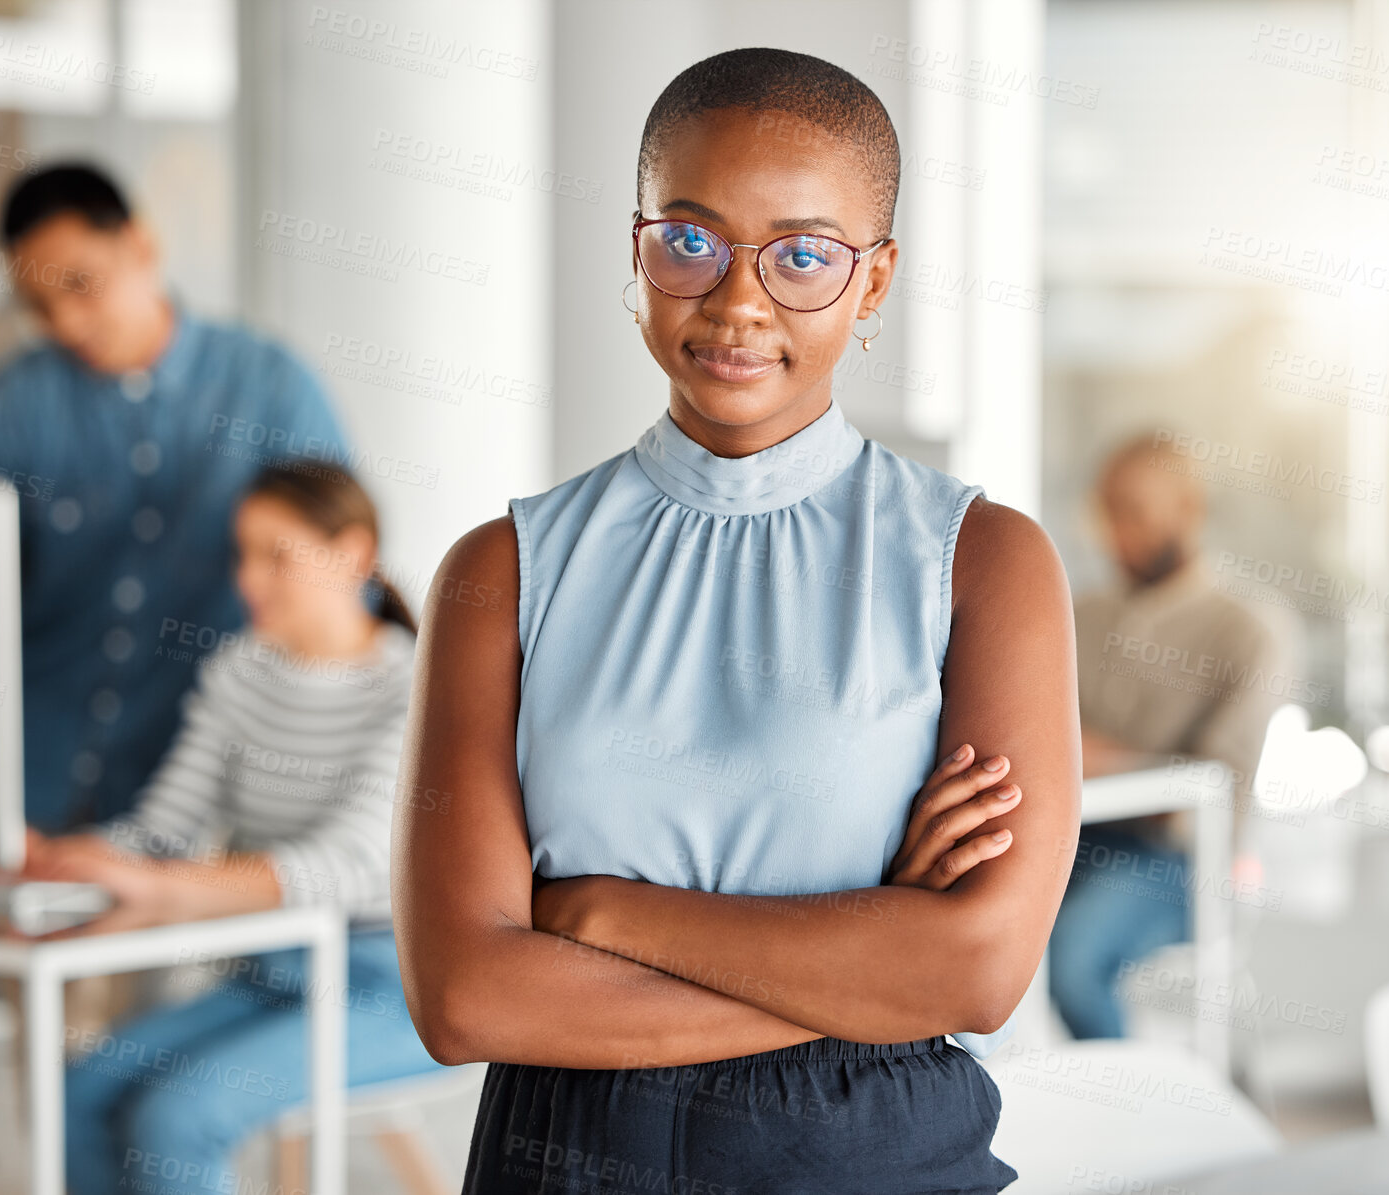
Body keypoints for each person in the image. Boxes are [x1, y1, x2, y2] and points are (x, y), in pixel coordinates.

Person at [392, 48, 1081, 1193]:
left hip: (874, 1159)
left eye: (804, 255)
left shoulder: (980, 561)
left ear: (873, 282)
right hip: (564, 1162)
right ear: (638, 245)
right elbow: (465, 998)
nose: (737, 300)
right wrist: (867, 957)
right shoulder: (502, 572)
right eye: (690, 240)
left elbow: (975, 971)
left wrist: (597, 911)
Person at [19, 461, 446, 1193]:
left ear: (353, 552)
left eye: (275, 556)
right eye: (242, 555)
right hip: (274, 972)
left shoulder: (416, 688)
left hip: (399, 989)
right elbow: (162, 832)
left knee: (178, 1116)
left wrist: (161, 888)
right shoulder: (240, 670)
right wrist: (62, 859)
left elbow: (346, 865)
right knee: (80, 1093)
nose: (248, 581)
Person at [0, 162, 352, 838]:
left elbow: (337, 597)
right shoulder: (10, 408)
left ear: (142, 246)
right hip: (30, 784)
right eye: (40, 307)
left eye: (82, 284)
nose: (68, 323)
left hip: (207, 797)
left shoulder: (272, 391)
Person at [1048, 434, 1302, 1040]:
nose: (1116, 531)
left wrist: (1096, 756)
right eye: (1107, 511)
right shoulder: (1076, 614)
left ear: (1189, 510)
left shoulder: (1249, 629)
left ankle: (1129, 1127)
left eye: (1135, 510)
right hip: (1066, 837)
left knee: (1074, 959)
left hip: (1183, 864)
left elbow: (1217, 782)